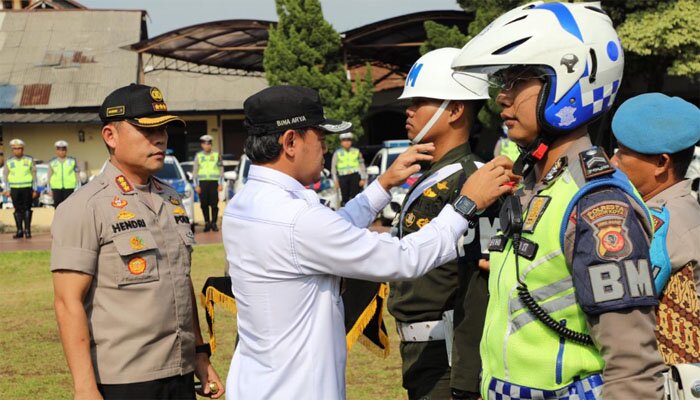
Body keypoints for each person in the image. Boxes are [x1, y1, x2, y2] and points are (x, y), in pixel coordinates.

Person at [222, 85, 517, 400]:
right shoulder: (296, 218)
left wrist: (383, 184)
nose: (325, 149)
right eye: (321, 140)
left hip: (257, 382)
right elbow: (403, 259)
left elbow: (329, 234)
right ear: (291, 141)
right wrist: (465, 203)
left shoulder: (246, 205)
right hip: (295, 389)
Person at [452, 2, 665, 398]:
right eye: (503, 83)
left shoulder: (599, 204)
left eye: (517, 81)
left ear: (568, 82)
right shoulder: (536, 184)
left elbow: (633, 366)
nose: (502, 98)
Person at [51, 84, 224, 400]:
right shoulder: (85, 206)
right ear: (110, 136)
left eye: (164, 129)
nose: (160, 138)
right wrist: (84, 387)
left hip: (180, 371)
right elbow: (67, 301)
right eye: (147, 130)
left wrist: (200, 354)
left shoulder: (171, 200)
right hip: (125, 379)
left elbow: (180, 282)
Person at [386, 47, 496, 400]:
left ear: (456, 109)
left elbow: (480, 284)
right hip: (421, 356)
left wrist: (466, 376)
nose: (409, 109)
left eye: (420, 100)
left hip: (451, 360)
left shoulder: (475, 180)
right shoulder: (430, 175)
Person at [609, 92, 700, 364]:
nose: (613, 163)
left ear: (661, 163)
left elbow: (622, 306)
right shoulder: (688, 209)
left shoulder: (658, 224)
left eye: (623, 154)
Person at [2, 138, 37, 239]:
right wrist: (7, 189)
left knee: (27, 208)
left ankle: (27, 230)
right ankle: (19, 230)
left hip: (27, 187)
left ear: (23, 149)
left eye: (20, 148)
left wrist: (34, 189)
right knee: (17, 209)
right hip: (14, 188)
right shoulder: (9, 161)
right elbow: (5, 176)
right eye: (15, 149)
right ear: (12, 150)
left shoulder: (29, 159)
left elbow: (34, 175)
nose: (18, 151)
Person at [193, 134, 223, 232]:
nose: (207, 146)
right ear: (202, 145)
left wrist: (221, 183)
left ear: (211, 145)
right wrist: (196, 185)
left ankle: (214, 223)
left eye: (209, 144)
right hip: (202, 184)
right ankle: (207, 223)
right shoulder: (199, 156)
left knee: (214, 204)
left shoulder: (216, 155)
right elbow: (195, 171)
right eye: (205, 144)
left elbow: (221, 169)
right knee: (204, 204)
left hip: (214, 183)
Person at [331, 131, 366, 205]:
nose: (346, 142)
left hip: (354, 176)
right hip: (343, 177)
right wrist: (335, 180)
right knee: (345, 197)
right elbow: (333, 168)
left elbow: (362, 165)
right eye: (344, 140)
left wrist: (363, 178)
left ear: (351, 141)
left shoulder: (356, 151)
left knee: (355, 197)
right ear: (341, 142)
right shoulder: (337, 153)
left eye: (348, 140)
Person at [46, 140, 81, 209]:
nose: (61, 152)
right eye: (59, 150)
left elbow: (77, 175)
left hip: (70, 188)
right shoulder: (52, 161)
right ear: (56, 151)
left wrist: (78, 188)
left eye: (63, 149)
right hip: (56, 188)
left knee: (69, 207)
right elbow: (49, 176)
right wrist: (49, 190)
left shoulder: (72, 161)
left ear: (66, 150)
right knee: (58, 208)